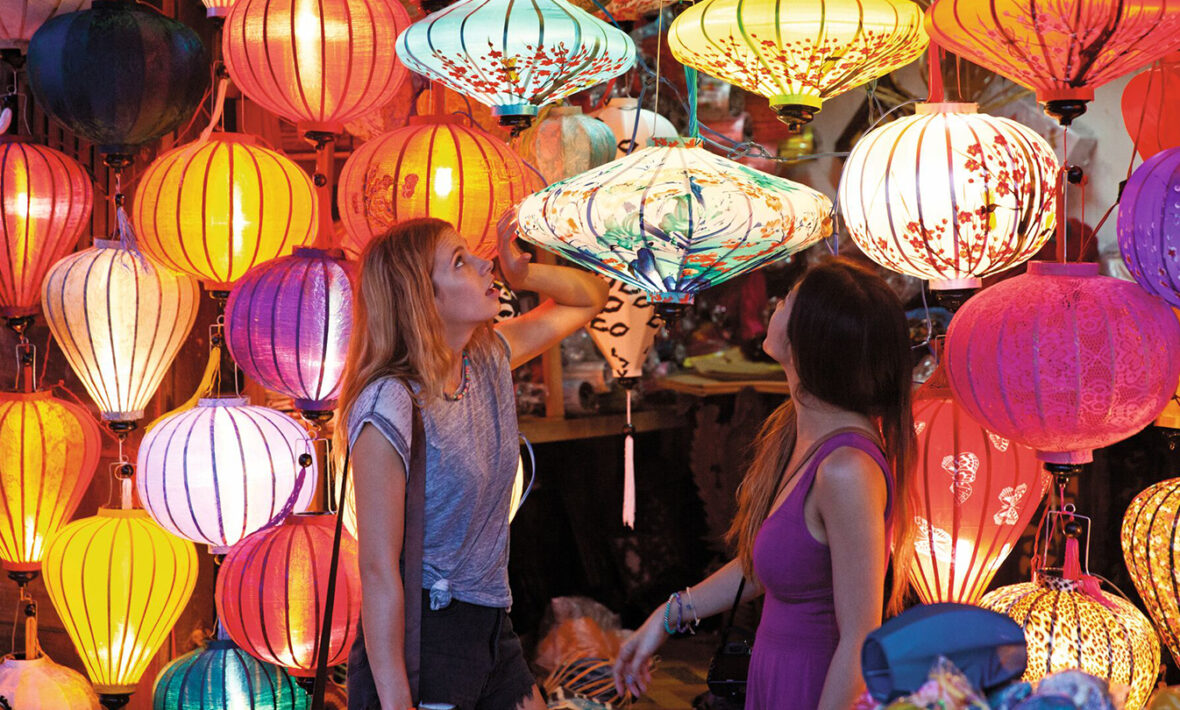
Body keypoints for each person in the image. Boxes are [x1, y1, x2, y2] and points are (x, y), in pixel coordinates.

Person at [613, 256, 916, 710]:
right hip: (774, 674)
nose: (774, 306)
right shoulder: (797, 431)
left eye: (786, 300)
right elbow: (765, 561)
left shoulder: (847, 468)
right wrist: (666, 616)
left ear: (810, 339)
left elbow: (860, 637)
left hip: (815, 687)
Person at [336, 215, 609, 710]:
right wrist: (397, 701)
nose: (487, 266)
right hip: (427, 636)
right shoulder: (390, 404)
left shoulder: (485, 359)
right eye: (460, 261)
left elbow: (589, 298)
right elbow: (377, 569)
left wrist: (526, 276)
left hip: (493, 624)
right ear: (423, 297)